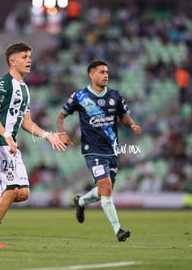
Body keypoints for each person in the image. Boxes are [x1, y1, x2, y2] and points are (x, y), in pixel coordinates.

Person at [0, 42, 66, 248]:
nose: (29, 60)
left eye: (29, 57)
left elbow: (27, 123)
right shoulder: (4, 83)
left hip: (10, 144)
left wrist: (48, 135)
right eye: (24, 57)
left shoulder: (25, 89)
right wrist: (7, 136)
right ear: (12, 61)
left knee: (22, 193)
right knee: (10, 190)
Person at [57, 60, 142, 242]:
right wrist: (62, 133)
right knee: (105, 187)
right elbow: (61, 115)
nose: (106, 75)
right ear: (91, 74)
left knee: (105, 190)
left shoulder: (115, 95)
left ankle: (80, 202)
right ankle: (118, 230)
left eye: (107, 72)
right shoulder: (80, 96)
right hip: (92, 150)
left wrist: (132, 124)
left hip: (112, 150)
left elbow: (124, 117)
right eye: (102, 72)